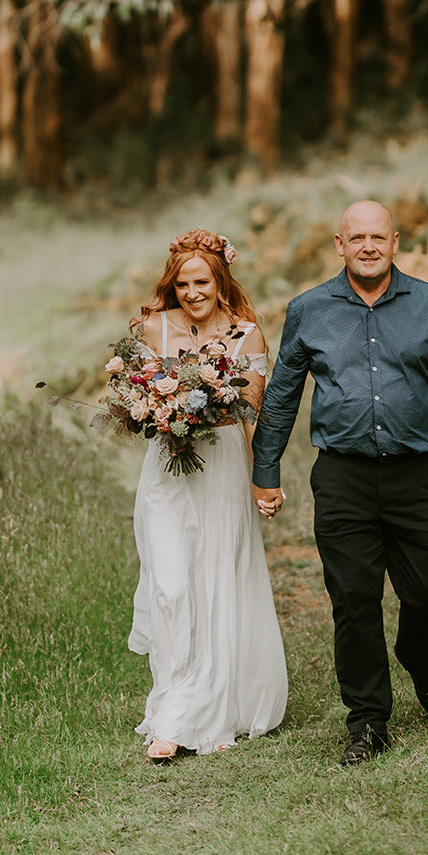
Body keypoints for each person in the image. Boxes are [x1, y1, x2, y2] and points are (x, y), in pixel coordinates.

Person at [251, 200, 428, 766]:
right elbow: (284, 396)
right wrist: (266, 473)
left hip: (417, 475)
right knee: (354, 601)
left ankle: (422, 661)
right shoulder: (309, 310)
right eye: (356, 237)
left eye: (377, 237)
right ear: (339, 245)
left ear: (394, 242)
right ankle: (367, 719)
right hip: (342, 478)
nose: (367, 246)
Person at [127, 228, 287, 761]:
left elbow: (253, 418)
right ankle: (171, 701)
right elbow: (131, 402)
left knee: (216, 586)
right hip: (167, 473)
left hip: (221, 472)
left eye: (203, 281)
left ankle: (186, 719)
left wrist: (266, 478)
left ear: (221, 282)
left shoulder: (248, 337)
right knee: (171, 587)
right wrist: (152, 412)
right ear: (172, 284)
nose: (193, 292)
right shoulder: (153, 329)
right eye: (183, 283)